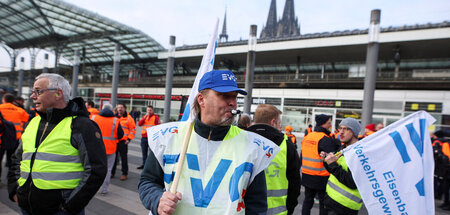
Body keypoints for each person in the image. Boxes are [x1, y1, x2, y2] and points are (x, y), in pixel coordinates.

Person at [138, 70, 277, 214]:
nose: (233, 103)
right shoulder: (168, 137)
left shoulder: (252, 146)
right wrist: (158, 200)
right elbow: (148, 181)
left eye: (235, 97)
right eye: (224, 96)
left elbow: (256, 205)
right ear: (201, 99)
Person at [7, 73, 107, 215]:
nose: (32, 96)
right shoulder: (33, 123)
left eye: (38, 91)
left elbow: (96, 171)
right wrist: (14, 191)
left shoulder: (82, 126)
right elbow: (17, 159)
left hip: (59, 210)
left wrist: (69, 207)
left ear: (58, 93)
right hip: (26, 206)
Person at [247, 104, 301, 215]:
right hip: (278, 211)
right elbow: (295, 184)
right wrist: (289, 208)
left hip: (246, 210)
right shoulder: (287, 146)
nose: (280, 126)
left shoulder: (242, 140)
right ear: (273, 122)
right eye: (279, 122)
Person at [321, 118, 363, 215]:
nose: (341, 132)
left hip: (344, 206)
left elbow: (352, 182)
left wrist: (332, 165)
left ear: (354, 132)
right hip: (332, 201)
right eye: (340, 128)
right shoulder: (345, 148)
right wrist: (327, 161)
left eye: (346, 129)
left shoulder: (359, 153)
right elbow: (334, 170)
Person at [301, 114, 340, 215]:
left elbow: (302, 155)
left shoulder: (307, 136)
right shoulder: (324, 138)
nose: (330, 125)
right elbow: (332, 155)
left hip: (307, 174)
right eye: (329, 123)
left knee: (307, 201)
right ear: (323, 124)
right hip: (321, 177)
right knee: (323, 204)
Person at [91, 103, 124, 195]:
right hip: (110, 149)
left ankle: (92, 188)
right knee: (108, 169)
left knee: (94, 168)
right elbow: (120, 135)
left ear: (102, 108)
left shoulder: (94, 118)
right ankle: (104, 189)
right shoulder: (115, 120)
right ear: (111, 110)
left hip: (96, 148)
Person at [0, 93, 29, 172]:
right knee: (12, 160)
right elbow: (26, 119)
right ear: (13, 101)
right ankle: (10, 180)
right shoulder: (20, 110)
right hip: (14, 138)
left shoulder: (0, 108)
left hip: (1, 138)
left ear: (3, 100)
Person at [112, 103, 136, 181]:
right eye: (118, 107)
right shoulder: (114, 117)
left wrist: (129, 139)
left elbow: (132, 130)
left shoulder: (129, 118)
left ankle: (124, 173)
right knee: (113, 158)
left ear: (125, 108)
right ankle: (112, 173)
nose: (120, 109)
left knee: (124, 158)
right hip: (114, 141)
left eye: (121, 107)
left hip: (123, 141)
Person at [137, 105, 160, 169]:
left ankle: (151, 166)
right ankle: (144, 164)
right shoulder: (145, 117)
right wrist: (144, 118)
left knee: (152, 153)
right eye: (148, 110)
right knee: (144, 152)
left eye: (150, 110)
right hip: (144, 137)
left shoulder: (156, 117)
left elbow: (158, 126)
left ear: (153, 111)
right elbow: (139, 124)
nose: (149, 111)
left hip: (152, 138)